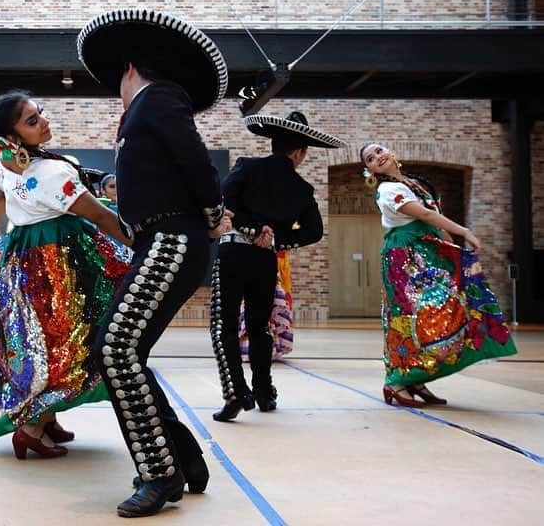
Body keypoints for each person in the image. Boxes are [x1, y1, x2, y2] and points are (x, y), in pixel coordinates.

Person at [78, 8, 232, 517]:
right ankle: (180, 458)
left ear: (129, 70)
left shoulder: (159, 98)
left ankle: (160, 473)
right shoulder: (143, 113)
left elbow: (197, 162)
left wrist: (211, 216)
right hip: (158, 240)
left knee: (114, 349)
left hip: (172, 239)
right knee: (121, 351)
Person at [0, 90, 132, 459]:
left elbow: (0, 195)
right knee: (66, 338)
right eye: (33, 120)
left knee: (38, 338)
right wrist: (140, 247)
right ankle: (32, 428)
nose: (44, 122)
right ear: (14, 136)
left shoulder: (5, 160)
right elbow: (100, 216)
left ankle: (47, 416)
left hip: (18, 255)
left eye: (41, 114)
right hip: (56, 261)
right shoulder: (52, 172)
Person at [210, 111, 346, 421]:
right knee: (260, 328)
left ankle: (235, 393)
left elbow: (223, 201)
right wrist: (274, 238)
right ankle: (264, 393)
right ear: (300, 152)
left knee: (225, 327)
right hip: (265, 260)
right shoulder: (302, 189)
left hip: (233, 254)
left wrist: (251, 229)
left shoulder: (247, 166)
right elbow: (313, 231)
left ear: (273, 144)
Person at [360, 141, 517, 406]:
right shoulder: (389, 189)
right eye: (370, 158)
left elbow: (433, 216)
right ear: (371, 171)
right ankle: (397, 381)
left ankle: (414, 378)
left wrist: (453, 250)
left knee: (451, 305)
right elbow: (423, 214)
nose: (378, 157)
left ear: (391, 152)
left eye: (379, 151)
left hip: (428, 250)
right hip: (407, 258)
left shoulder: (414, 183)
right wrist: (463, 231)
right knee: (412, 318)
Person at [238, 250, 294, 362]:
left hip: (276, 262)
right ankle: (252, 348)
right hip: (257, 259)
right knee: (253, 305)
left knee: (273, 309)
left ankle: (270, 348)